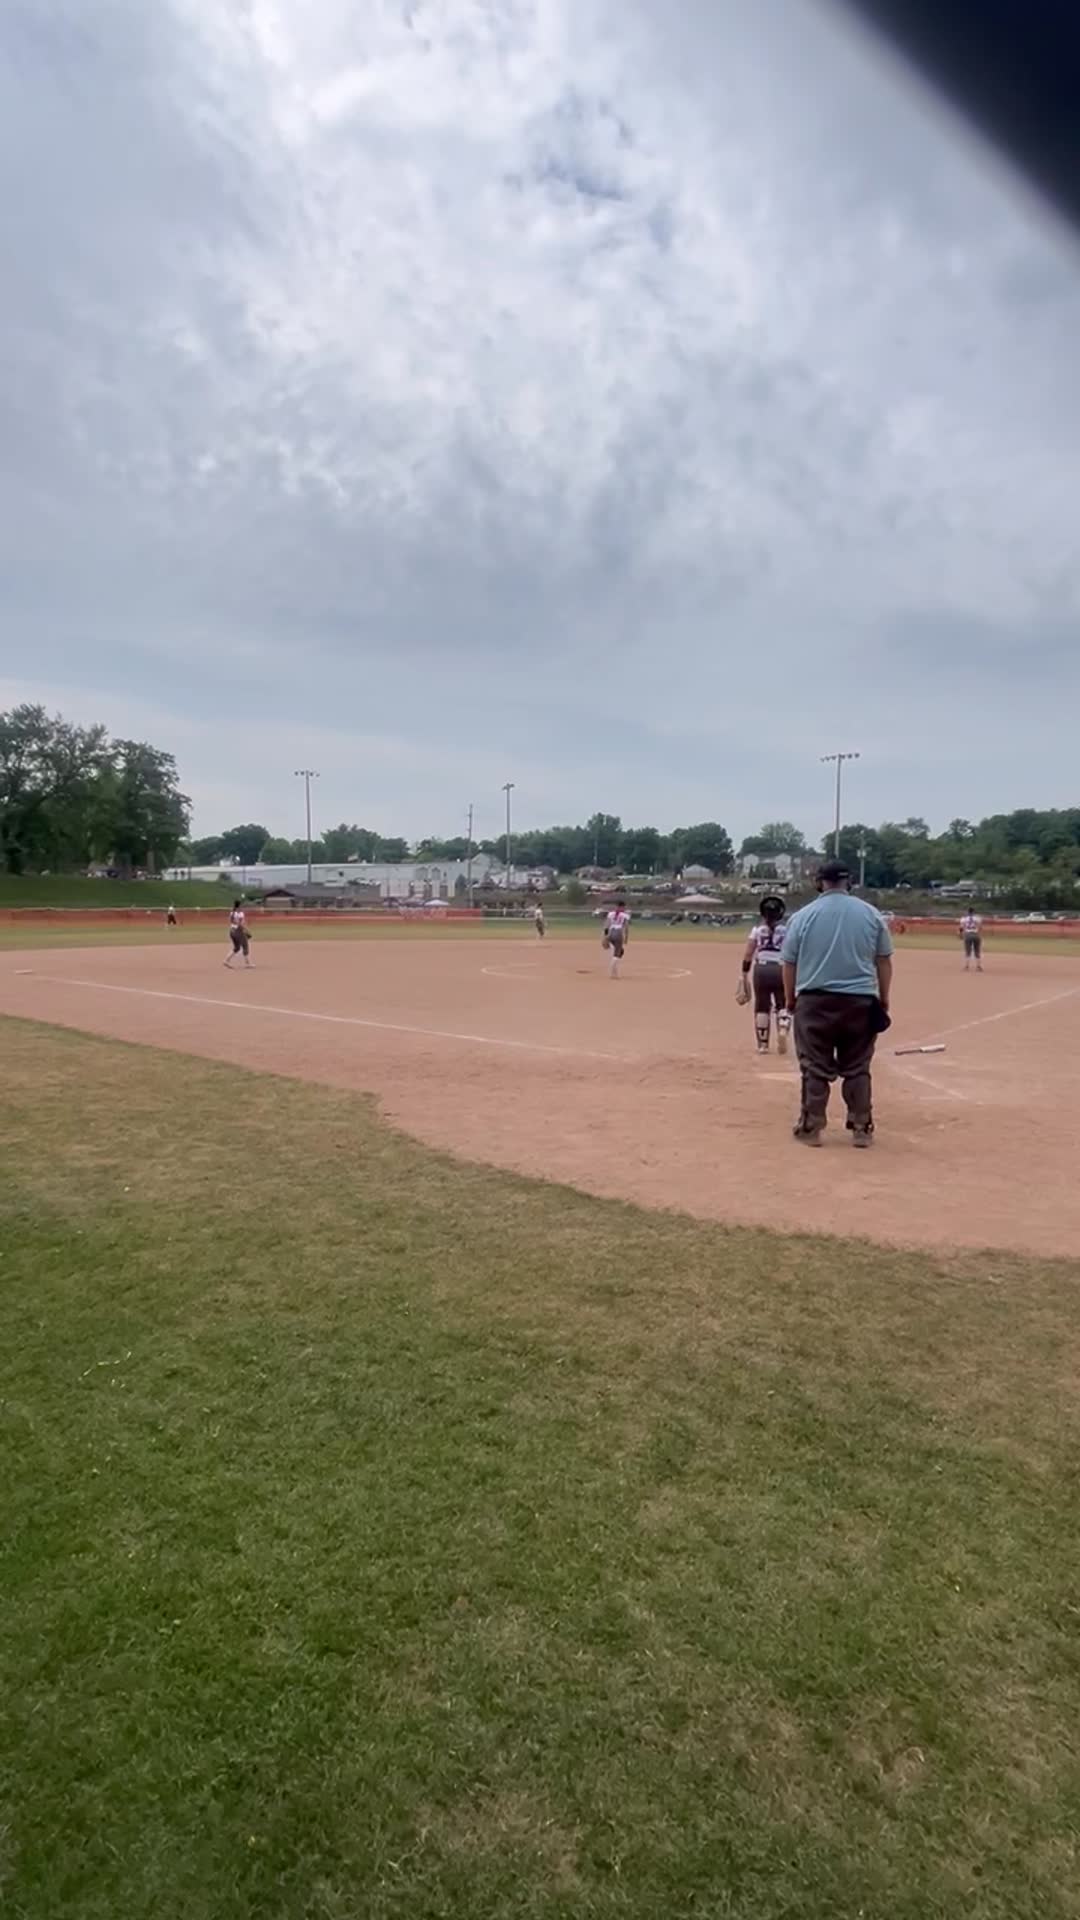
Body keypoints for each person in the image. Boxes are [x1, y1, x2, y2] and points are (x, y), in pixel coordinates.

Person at [781, 860, 893, 1148]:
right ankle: (861, 1127)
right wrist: (883, 997)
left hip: (814, 999)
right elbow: (883, 960)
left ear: (819, 882)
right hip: (859, 1000)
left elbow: (789, 963)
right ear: (849, 882)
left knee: (814, 1067)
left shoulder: (803, 916)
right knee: (857, 1067)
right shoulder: (871, 914)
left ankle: (812, 1127)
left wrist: (791, 998)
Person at [737, 894, 791, 1054]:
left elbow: (748, 954)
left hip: (762, 969)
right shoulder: (787, 930)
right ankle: (782, 1026)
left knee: (762, 1006)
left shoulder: (757, 930)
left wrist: (744, 973)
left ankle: (763, 1045)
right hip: (781, 968)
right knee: (783, 1003)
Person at [602, 899, 631, 978]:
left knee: (619, 951)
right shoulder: (625, 915)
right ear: (622, 907)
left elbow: (606, 925)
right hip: (618, 933)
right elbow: (626, 927)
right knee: (617, 953)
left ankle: (614, 970)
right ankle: (613, 973)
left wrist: (605, 936)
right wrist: (626, 938)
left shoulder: (611, 914)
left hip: (611, 933)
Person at [224, 900, 253, 969]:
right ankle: (248, 964)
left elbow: (231, 921)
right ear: (239, 905)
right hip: (238, 931)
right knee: (245, 945)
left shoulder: (232, 913)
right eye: (241, 905)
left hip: (231, 931)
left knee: (237, 948)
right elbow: (241, 924)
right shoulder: (240, 913)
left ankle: (226, 961)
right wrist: (246, 930)